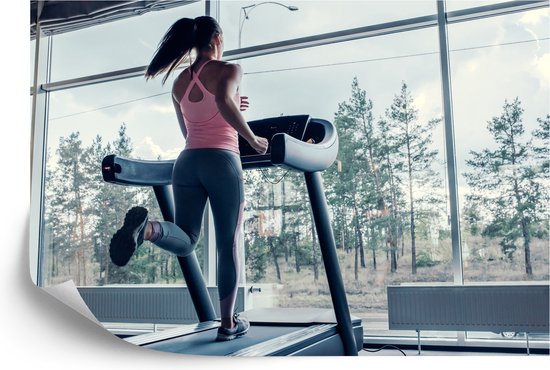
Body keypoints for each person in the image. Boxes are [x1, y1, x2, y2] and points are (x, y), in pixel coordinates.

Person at [108, 16, 269, 342]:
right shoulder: (231, 70)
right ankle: (228, 324)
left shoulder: (180, 82)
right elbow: (223, 102)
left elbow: (191, 129)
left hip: (188, 162)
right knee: (228, 245)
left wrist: (235, 106)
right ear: (218, 39)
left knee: (187, 238)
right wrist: (253, 139)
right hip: (223, 161)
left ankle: (149, 230)